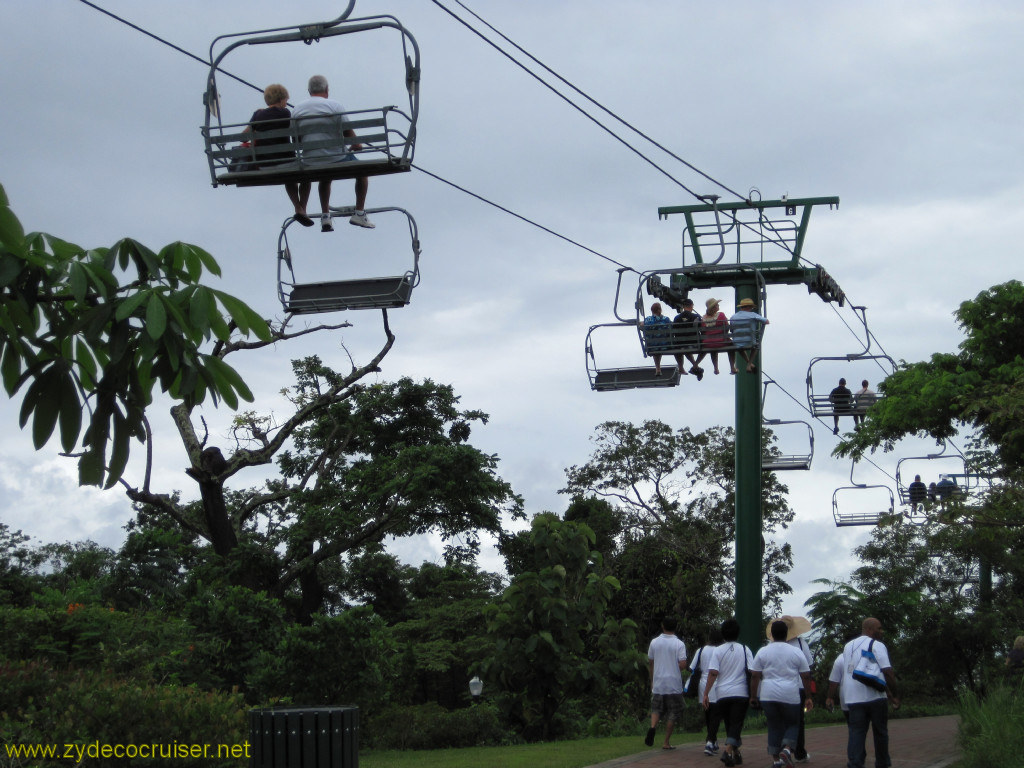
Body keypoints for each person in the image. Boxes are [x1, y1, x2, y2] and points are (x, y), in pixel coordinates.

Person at [291, 74, 375, 232]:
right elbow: (352, 139)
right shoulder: (335, 106)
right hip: (336, 158)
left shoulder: (297, 110)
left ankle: (325, 216)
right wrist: (355, 146)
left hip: (310, 160)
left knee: (325, 177)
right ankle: (359, 212)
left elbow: (296, 140)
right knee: (363, 172)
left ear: (309, 90)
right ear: (327, 90)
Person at [827, 618, 899, 768]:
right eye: (879, 628)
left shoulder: (848, 647)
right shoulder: (878, 645)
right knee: (880, 732)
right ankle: (882, 763)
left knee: (856, 733)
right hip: (875, 696)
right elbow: (887, 671)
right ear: (870, 629)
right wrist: (894, 694)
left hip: (853, 697)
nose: (881, 631)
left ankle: (855, 764)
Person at [750, 620, 814, 768]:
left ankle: (776, 760)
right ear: (787, 634)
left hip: (768, 694)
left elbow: (755, 676)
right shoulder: (796, 651)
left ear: (771, 634)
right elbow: (806, 676)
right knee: (793, 724)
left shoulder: (763, 651)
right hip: (790, 694)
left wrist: (753, 696)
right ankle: (786, 749)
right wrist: (809, 697)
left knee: (773, 726)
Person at [246, 84, 310, 226]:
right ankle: (301, 208)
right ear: (281, 99)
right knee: (307, 175)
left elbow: (242, 137)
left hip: (264, 165)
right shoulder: (286, 113)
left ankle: (300, 209)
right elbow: (297, 137)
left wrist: (257, 130)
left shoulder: (257, 115)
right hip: (286, 162)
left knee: (289, 176)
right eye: (286, 100)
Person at [704, 618, 756, 767]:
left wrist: (706, 693)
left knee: (730, 724)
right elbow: (752, 672)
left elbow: (713, 673)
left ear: (723, 633)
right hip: (740, 693)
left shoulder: (718, 650)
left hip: (722, 693)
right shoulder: (745, 649)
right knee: (736, 724)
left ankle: (736, 753)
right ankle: (728, 752)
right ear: (738, 633)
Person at [767, 616, 814, 763]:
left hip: (773, 689)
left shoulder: (770, 645)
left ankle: (781, 751)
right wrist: (809, 694)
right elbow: (809, 667)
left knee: (778, 722)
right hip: (797, 687)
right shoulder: (800, 643)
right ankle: (798, 751)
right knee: (797, 721)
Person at [645, 616, 687, 750]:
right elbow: (683, 664)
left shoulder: (654, 642)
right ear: (675, 627)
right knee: (673, 712)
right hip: (673, 683)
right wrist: (674, 667)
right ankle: (666, 742)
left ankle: (652, 727)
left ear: (662, 626)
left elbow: (651, 662)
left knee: (656, 708)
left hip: (658, 682)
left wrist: (652, 680)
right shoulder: (679, 644)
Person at [690, 626, 723, 756]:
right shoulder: (720, 651)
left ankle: (712, 740)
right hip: (717, 684)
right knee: (715, 714)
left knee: (708, 714)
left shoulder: (701, 650)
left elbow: (692, 667)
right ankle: (710, 741)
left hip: (703, 684)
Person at [729, 298, 770, 374]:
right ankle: (749, 364)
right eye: (751, 307)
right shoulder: (753, 315)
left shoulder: (733, 317)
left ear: (741, 307)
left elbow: (731, 330)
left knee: (740, 347)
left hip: (736, 342)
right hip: (750, 341)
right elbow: (767, 321)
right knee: (756, 345)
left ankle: (748, 364)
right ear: (748, 307)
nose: (752, 309)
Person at [672, 298, 706, 379]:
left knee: (683, 346)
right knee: (705, 346)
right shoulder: (696, 317)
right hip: (694, 344)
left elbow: (674, 332)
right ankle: (695, 366)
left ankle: (682, 367)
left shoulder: (676, 318)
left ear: (683, 307)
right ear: (692, 306)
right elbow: (702, 331)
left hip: (680, 345)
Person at [702, 298, 735, 375]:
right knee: (731, 346)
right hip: (721, 341)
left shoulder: (703, 318)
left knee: (713, 348)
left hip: (708, 343)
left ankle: (716, 368)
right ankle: (732, 367)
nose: (718, 305)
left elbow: (703, 331)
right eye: (717, 304)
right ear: (714, 307)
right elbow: (727, 328)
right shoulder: (721, 315)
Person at [643, 303, 674, 376]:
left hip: (652, 346)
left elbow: (645, 328)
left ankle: (658, 368)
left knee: (655, 344)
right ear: (660, 310)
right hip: (665, 345)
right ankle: (680, 367)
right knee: (660, 342)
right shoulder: (666, 319)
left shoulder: (647, 320)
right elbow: (671, 328)